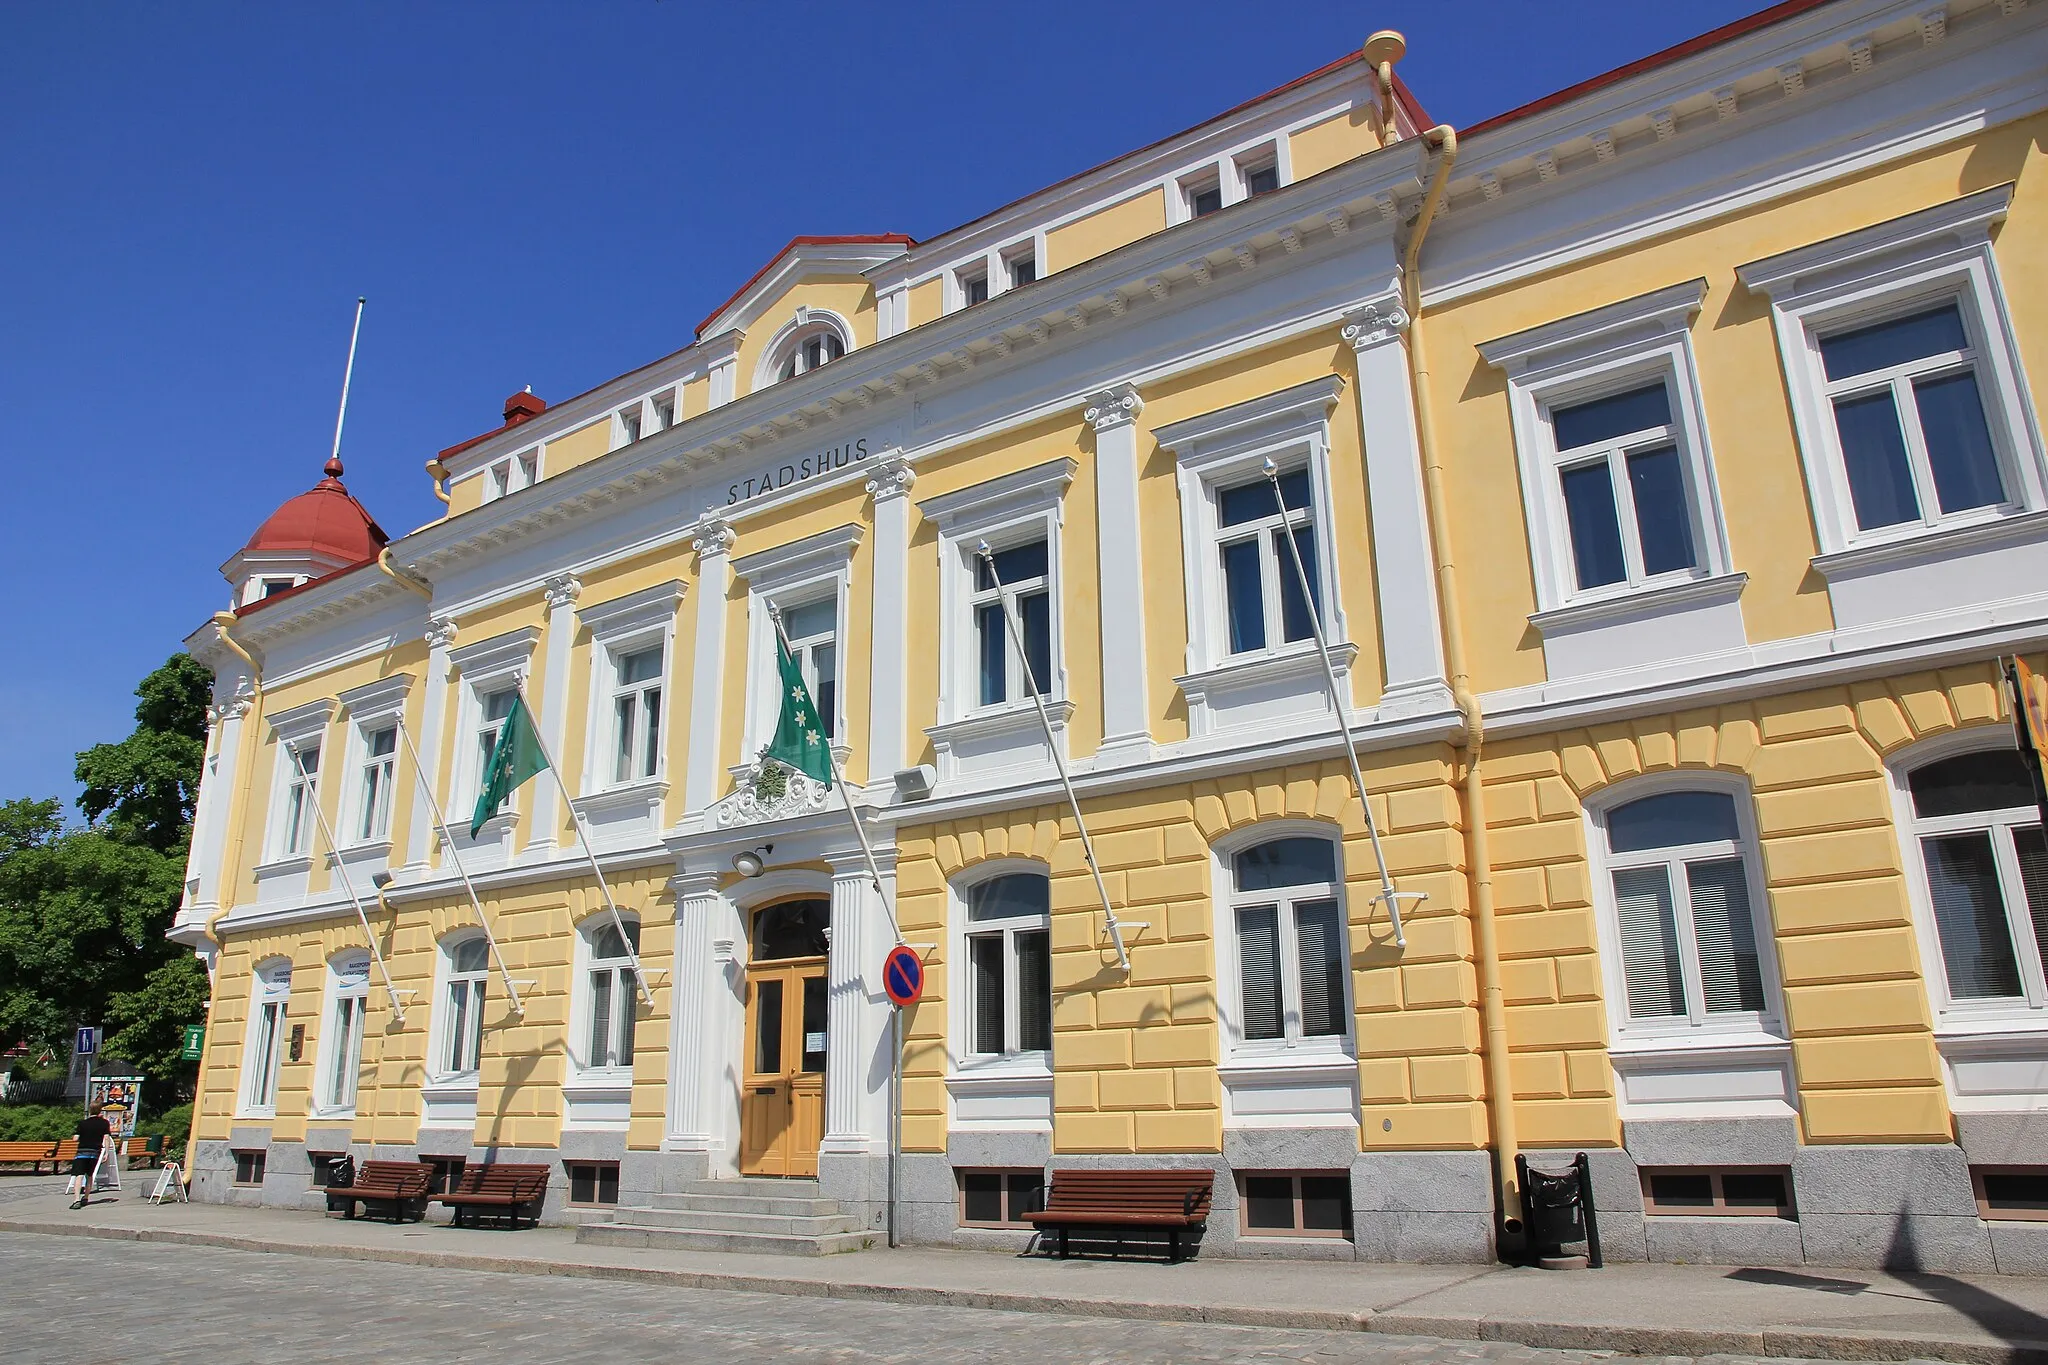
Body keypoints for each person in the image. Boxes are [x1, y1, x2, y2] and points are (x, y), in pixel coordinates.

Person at [67, 1103, 112, 1210]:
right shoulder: (104, 1123)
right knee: (90, 1175)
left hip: (82, 1152)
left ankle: (76, 1199)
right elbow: (106, 1138)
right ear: (100, 1111)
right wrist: (106, 1152)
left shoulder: (83, 1123)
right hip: (95, 1152)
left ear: (90, 1110)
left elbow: (75, 1138)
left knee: (79, 1175)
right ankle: (86, 1197)